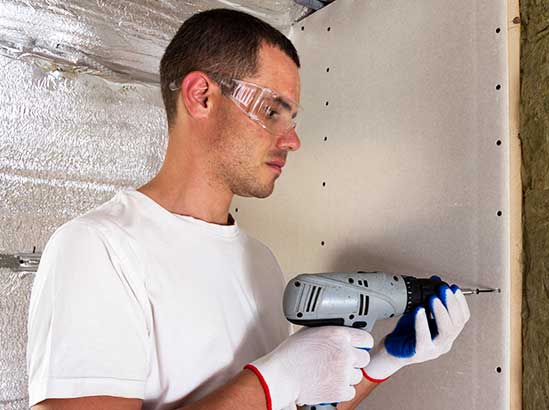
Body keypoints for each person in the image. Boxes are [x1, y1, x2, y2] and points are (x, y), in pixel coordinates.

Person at [26, 8, 470, 410]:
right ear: (201, 96)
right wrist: (272, 380)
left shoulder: (260, 262)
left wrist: (382, 363)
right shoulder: (100, 249)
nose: (292, 140)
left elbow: (284, 403)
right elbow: (271, 390)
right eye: (273, 111)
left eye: (292, 119)